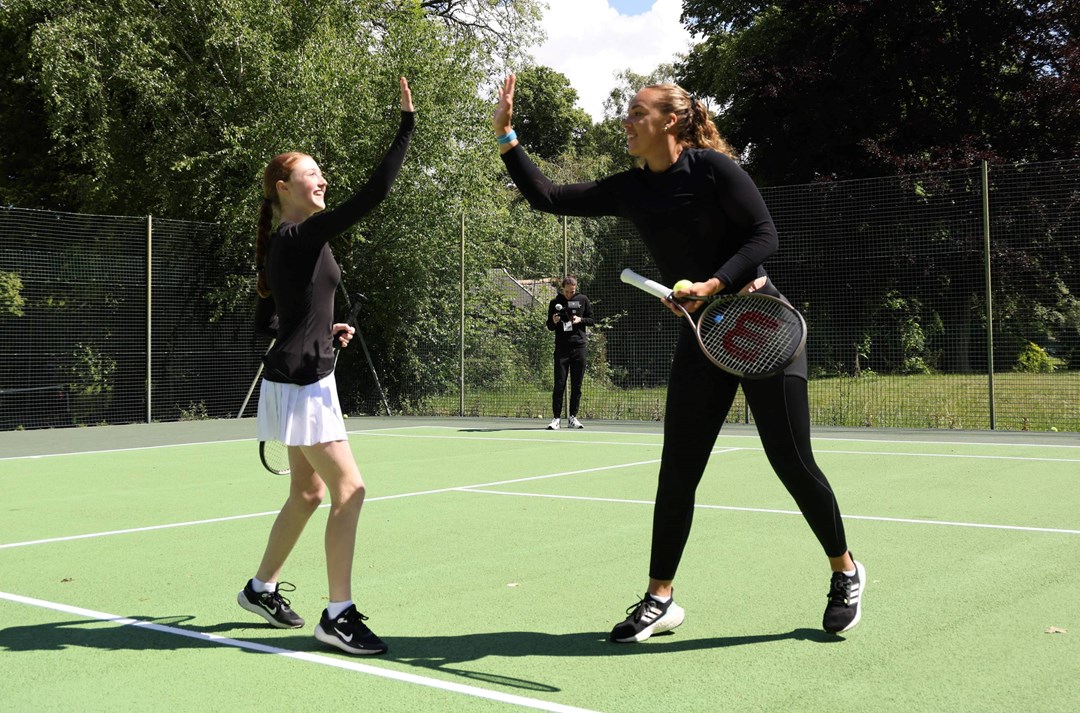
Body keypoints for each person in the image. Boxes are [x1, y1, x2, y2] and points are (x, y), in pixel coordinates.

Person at [492, 75, 865, 641]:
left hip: (761, 324)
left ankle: (845, 570)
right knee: (678, 471)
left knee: (791, 462)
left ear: (670, 121)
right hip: (704, 336)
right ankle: (660, 598)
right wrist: (508, 138)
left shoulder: (713, 169)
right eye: (627, 113)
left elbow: (765, 236)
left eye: (637, 113)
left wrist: (714, 282)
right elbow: (549, 197)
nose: (626, 122)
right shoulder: (631, 187)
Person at [237, 77, 415, 656]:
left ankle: (260, 587)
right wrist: (405, 127)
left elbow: (267, 326)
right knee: (351, 490)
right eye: (312, 174)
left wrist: (323, 330)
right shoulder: (300, 234)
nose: (323, 180)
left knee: (309, 494)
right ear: (284, 187)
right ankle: (338, 616)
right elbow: (372, 195)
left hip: (302, 374)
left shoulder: (286, 244)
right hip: (303, 384)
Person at [546, 275, 594, 430]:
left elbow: (591, 320)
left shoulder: (583, 299)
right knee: (559, 384)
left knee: (577, 385)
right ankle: (556, 419)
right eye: (567, 292)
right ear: (562, 289)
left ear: (576, 289)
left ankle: (573, 417)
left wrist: (580, 320)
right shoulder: (555, 302)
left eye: (572, 291)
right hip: (561, 349)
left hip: (579, 348)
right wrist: (553, 321)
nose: (569, 294)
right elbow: (549, 326)